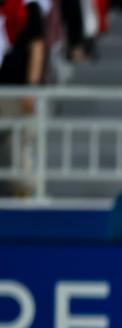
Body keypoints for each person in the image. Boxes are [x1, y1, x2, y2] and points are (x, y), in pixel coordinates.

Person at [0, 0, 48, 197]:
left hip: (17, 91)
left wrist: (31, 88)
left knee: (22, 147)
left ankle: (24, 197)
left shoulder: (29, 8)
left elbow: (37, 48)